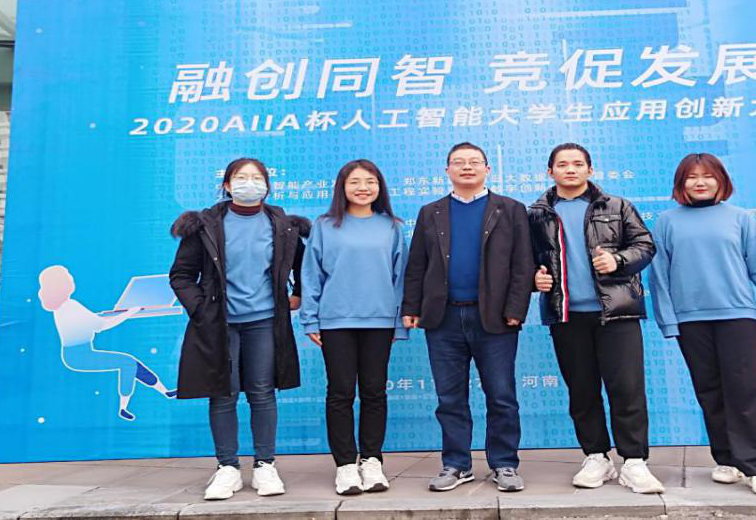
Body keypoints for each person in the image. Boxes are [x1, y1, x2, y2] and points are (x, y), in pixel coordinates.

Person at [648, 153, 756, 496]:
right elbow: (659, 277)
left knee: (745, 391)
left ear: (721, 180)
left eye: (708, 176)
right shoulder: (667, 222)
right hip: (691, 321)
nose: (700, 182)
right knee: (710, 391)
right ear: (681, 184)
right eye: (692, 177)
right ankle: (727, 460)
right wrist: (668, 322)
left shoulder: (740, 219)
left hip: (737, 316)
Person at [170, 157, 308, 501]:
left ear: (267, 185)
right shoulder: (205, 225)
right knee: (223, 393)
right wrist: (201, 308)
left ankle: (265, 465)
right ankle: (227, 468)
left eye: (257, 177)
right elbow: (181, 275)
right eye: (241, 177)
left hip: (264, 321)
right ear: (227, 185)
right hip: (220, 324)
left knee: (262, 392)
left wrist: (298, 294)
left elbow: (304, 265)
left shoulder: (283, 225)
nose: (250, 183)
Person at [529, 143, 663, 493]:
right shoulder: (536, 214)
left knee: (627, 389)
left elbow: (645, 245)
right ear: (550, 172)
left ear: (590, 169)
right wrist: (533, 278)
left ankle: (634, 461)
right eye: (562, 164)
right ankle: (596, 457)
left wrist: (618, 260)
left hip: (617, 312)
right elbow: (524, 260)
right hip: (566, 316)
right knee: (582, 390)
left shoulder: (617, 206)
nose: (570, 169)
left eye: (577, 164)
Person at [402, 142, 533, 493]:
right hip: (443, 318)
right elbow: (417, 264)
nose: (467, 167)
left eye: (474, 162)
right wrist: (411, 307)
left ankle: (504, 463)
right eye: (458, 162)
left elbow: (523, 265)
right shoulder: (431, 212)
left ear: (488, 169)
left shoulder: (510, 209)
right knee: (449, 399)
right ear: (447, 170)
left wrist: (515, 310)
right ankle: (457, 464)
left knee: (501, 395)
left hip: (495, 318)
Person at [301, 159, 408, 496]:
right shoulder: (324, 226)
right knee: (341, 392)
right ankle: (346, 464)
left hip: (380, 320)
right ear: (342, 187)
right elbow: (311, 275)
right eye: (355, 182)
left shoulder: (391, 226)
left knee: (375, 392)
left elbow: (401, 278)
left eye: (370, 182)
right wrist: (310, 318)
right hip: (336, 321)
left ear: (380, 187)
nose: (363, 188)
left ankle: (372, 460)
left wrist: (399, 322)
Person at [38, 265, 175, 418]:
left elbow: (90, 320)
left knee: (131, 363)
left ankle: (164, 391)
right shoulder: (71, 306)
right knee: (127, 363)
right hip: (79, 356)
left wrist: (111, 314)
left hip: (75, 354)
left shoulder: (64, 307)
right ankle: (123, 408)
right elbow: (102, 326)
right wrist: (129, 312)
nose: (71, 279)